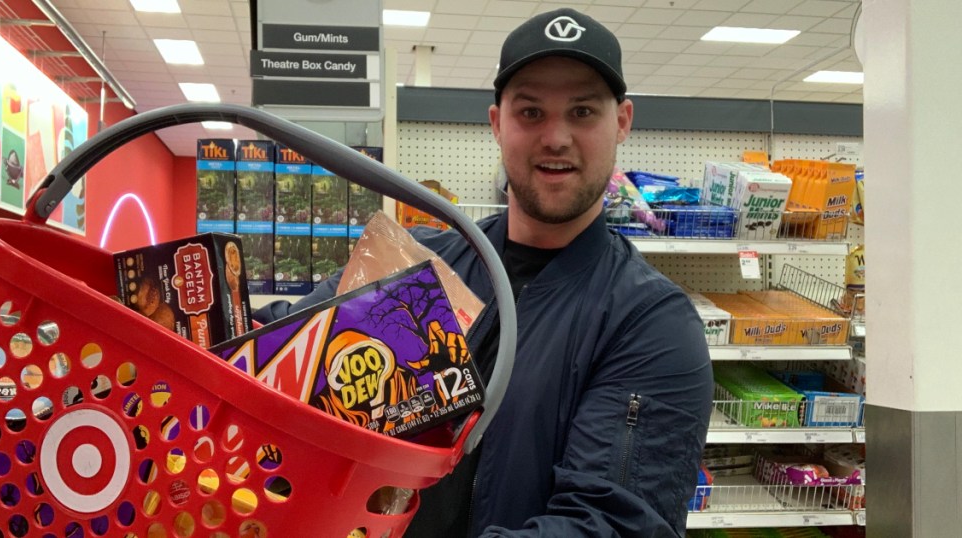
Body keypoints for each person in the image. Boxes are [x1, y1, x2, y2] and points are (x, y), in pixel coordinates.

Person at [254, 8, 713, 537]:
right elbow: (276, 349)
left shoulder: (650, 323)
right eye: (531, 112)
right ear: (497, 123)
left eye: (583, 111)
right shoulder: (412, 263)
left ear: (623, 122)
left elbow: (615, 524)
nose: (557, 138)